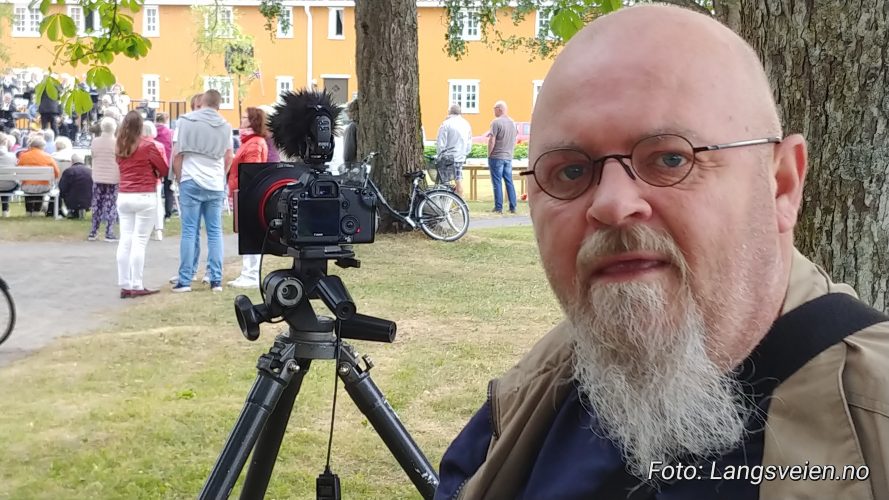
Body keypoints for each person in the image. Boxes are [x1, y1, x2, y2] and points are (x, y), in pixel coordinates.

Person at [435, 5, 889, 500]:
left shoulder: (875, 419)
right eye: (569, 172)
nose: (610, 204)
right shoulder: (527, 399)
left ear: (781, 185)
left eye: (671, 158)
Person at [171, 89, 233, 293]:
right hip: (214, 182)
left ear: (202, 102)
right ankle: (216, 279)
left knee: (190, 231)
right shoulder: (225, 126)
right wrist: (221, 175)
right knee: (214, 232)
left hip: (191, 178)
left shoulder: (185, 121)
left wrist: (180, 179)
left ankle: (185, 279)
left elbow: (177, 155)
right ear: (219, 105)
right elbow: (228, 156)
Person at [115, 111, 168, 299]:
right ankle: (137, 283)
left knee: (125, 239)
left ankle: (125, 283)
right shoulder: (148, 146)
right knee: (139, 241)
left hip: (124, 194)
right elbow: (163, 168)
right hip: (145, 193)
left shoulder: (119, 146)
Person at [227, 107, 269, 288]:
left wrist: (245, 191)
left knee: (250, 235)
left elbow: (252, 170)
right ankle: (248, 272)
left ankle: (251, 274)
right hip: (244, 192)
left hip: (247, 194)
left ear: (253, 121)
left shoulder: (253, 144)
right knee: (247, 234)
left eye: (245, 118)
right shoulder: (250, 141)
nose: (241, 120)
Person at [89, 117, 120, 241]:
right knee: (111, 204)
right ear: (114, 129)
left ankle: (93, 231)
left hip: (98, 176)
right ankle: (109, 232)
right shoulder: (117, 143)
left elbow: (93, 155)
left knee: (97, 204)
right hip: (113, 178)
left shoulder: (95, 141)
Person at [16, 133, 60, 216]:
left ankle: (28, 211)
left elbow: (18, 171)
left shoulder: (23, 156)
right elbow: (57, 173)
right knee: (41, 186)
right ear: (42, 146)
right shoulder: (48, 157)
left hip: (27, 187)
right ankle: (36, 210)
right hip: (43, 186)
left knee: (29, 188)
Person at [485, 100, 517, 214]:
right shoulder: (513, 122)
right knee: (509, 181)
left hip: (497, 156)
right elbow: (515, 139)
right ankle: (513, 206)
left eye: (494, 108)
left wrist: (489, 154)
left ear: (499, 109)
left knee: (497, 181)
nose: (493, 111)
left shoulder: (496, 122)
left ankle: (498, 207)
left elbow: (491, 140)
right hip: (508, 156)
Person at [435, 104, 472, 196]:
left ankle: (449, 202)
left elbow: (440, 143)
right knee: (458, 179)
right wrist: (465, 154)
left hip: (448, 157)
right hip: (460, 156)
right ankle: (460, 201)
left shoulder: (446, 124)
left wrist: (439, 155)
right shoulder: (466, 124)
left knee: (445, 182)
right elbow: (469, 142)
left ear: (449, 112)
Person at [58, 152, 92, 219]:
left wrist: (62, 195)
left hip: (72, 199)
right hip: (89, 199)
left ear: (72, 162)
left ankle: (72, 211)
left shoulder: (68, 171)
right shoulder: (90, 171)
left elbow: (62, 186)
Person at [155, 113, 176, 219]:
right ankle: (168, 213)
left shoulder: (151, 132)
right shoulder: (170, 132)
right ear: (166, 120)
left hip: (154, 164)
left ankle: (155, 210)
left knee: (155, 188)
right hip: (168, 163)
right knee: (169, 189)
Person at [0, 132, 16, 217]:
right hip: (8, 186)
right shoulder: (12, 156)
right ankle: (5, 210)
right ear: (5, 142)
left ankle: (5, 210)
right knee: (7, 182)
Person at [342, 99, 359, 165]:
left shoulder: (352, 127)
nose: (347, 114)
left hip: (353, 165)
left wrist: (347, 163)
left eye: (348, 111)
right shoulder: (355, 126)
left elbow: (348, 151)